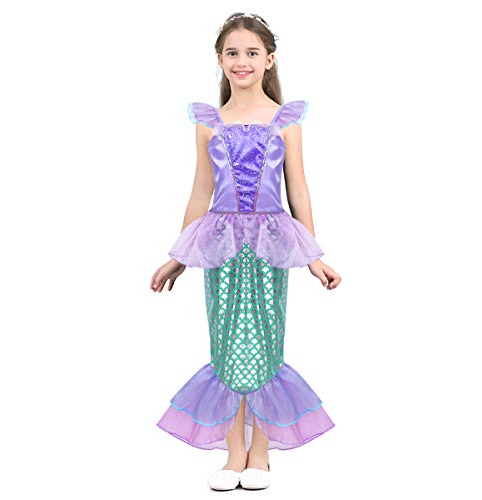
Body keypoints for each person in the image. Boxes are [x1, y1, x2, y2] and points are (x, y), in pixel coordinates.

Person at [150, 12, 342, 491]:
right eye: (232, 53)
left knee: (265, 342)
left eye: (252, 52)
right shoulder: (208, 122)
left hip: (271, 246)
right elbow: (201, 191)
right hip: (221, 246)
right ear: (219, 59)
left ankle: (261, 452)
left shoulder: (285, 120)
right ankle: (235, 451)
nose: (242, 61)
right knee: (226, 343)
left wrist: (313, 254)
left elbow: (298, 189)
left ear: (269, 59)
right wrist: (179, 255)